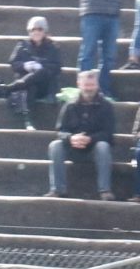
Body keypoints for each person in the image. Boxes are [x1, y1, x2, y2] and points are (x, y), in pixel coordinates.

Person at [44, 71, 117, 200]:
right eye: (86, 85)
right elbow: (60, 131)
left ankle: (105, 190)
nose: (89, 88)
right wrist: (71, 138)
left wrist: (90, 139)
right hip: (73, 148)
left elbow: (109, 134)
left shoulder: (106, 106)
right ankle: (57, 189)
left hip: (94, 150)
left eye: (92, 85)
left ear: (97, 85)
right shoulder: (69, 105)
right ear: (79, 84)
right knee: (55, 146)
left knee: (103, 146)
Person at [0, 16, 64, 124]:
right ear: (29, 31)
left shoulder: (53, 47)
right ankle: (28, 121)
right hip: (25, 86)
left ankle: (8, 88)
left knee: (40, 72)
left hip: (45, 86)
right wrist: (25, 66)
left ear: (45, 31)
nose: (36, 32)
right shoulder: (22, 45)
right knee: (30, 86)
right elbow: (13, 64)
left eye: (40, 29)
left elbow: (57, 67)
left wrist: (41, 66)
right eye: (32, 29)